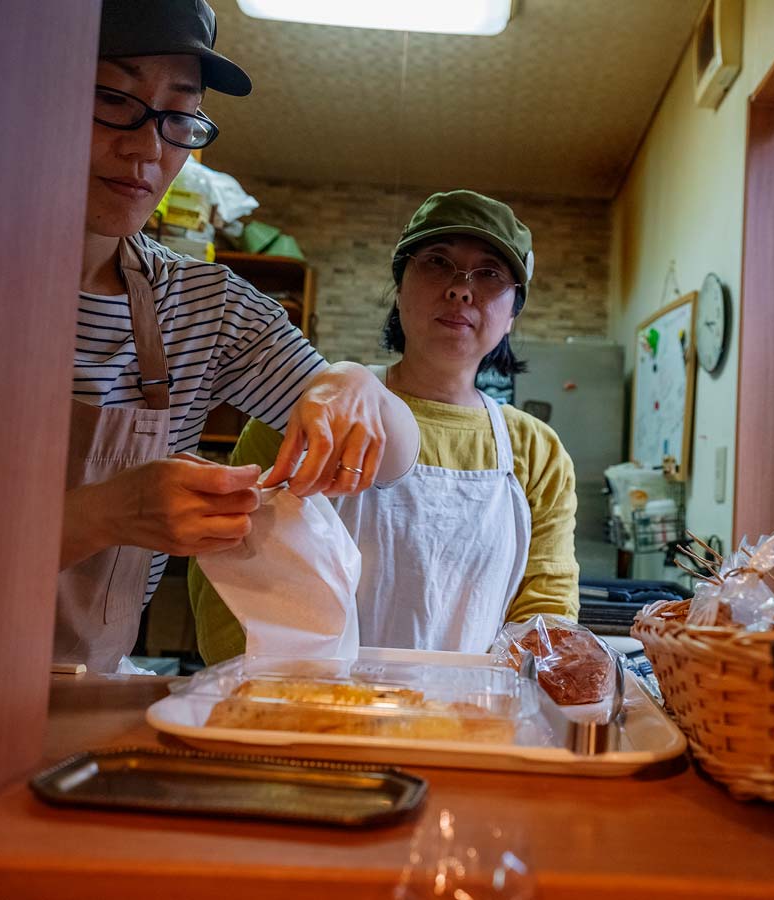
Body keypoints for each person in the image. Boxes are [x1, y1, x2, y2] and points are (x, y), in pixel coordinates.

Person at [58, 0, 418, 672]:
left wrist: (357, 386)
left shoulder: (202, 305)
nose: (148, 148)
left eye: (177, 116)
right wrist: (106, 512)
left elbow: (396, 458)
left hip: (84, 695)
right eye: (114, 98)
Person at [190, 190, 581, 660]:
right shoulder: (311, 409)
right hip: (313, 714)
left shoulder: (535, 450)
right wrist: (270, 707)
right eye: (437, 262)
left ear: (513, 312)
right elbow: (232, 574)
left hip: (475, 718)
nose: (460, 289)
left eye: (490, 273)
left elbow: (547, 608)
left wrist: (503, 711)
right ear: (400, 288)